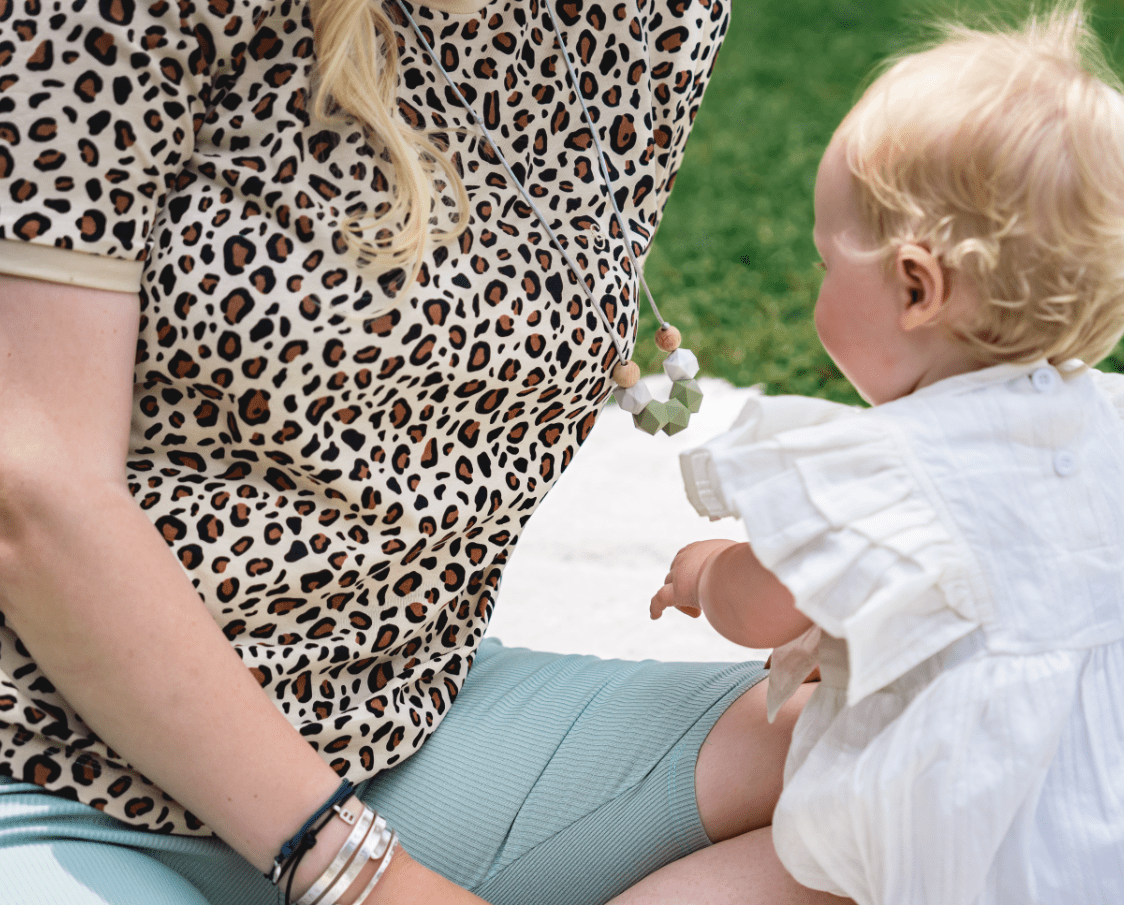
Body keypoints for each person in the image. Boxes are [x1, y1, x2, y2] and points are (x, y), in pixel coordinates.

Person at [0, 0, 847, 903]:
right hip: (50, 757)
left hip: (392, 729)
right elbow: (33, 490)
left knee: (939, 768)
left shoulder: (645, 21)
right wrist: (370, 878)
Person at [652, 4, 1124, 903]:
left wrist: (709, 572)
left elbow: (765, 603)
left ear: (916, 286)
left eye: (831, 264)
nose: (820, 282)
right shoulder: (1106, 421)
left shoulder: (895, 468)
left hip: (954, 856)